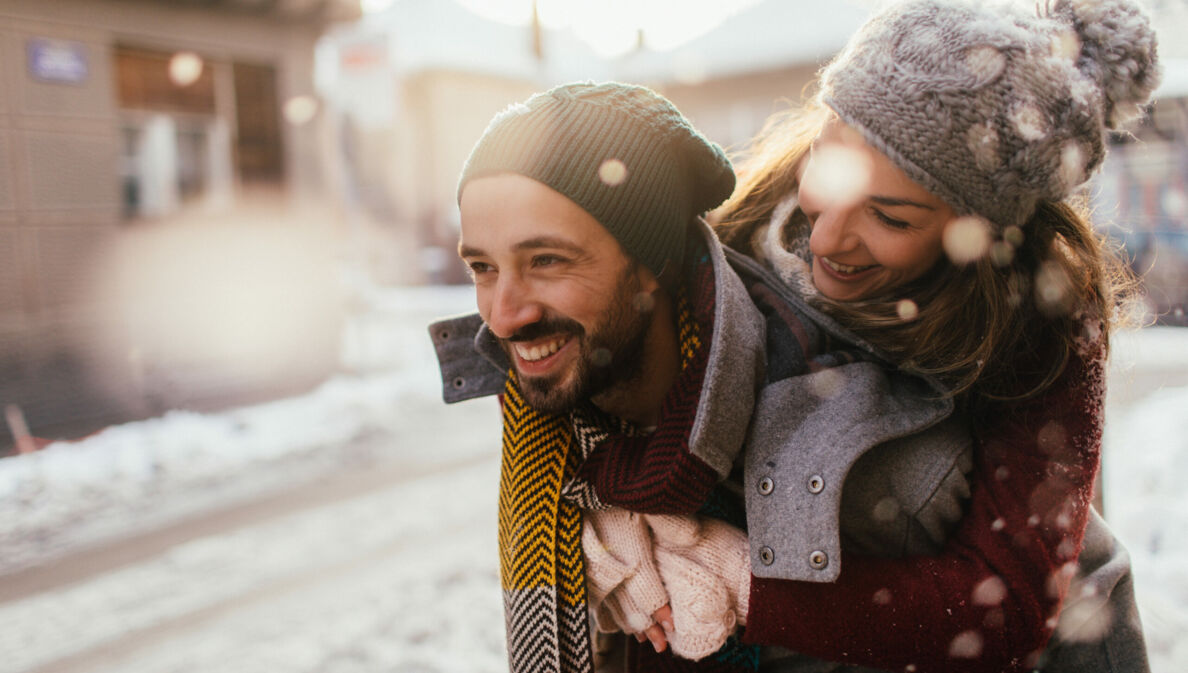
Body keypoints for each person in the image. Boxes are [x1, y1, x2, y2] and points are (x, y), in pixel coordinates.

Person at [429, 81, 976, 673]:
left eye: (547, 261)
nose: (505, 316)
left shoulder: (871, 466)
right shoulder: (553, 435)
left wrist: (757, 587)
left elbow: (1011, 633)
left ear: (653, 266)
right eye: (483, 267)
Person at [690, 0, 1156, 671]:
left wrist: (746, 584)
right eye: (828, 168)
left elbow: (1007, 605)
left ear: (979, 232)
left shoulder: (1042, 322)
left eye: (890, 216)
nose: (825, 236)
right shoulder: (740, 237)